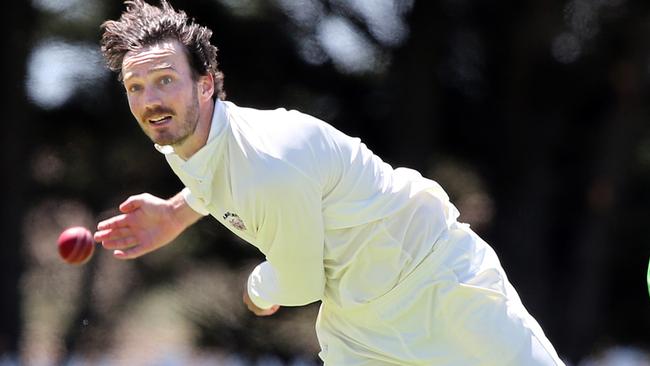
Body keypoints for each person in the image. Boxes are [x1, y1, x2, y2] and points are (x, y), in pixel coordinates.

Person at [95, 1, 565, 364]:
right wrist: (177, 212)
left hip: (438, 282)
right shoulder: (192, 139)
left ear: (205, 85)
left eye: (164, 80)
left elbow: (299, 283)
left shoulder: (269, 160)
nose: (150, 100)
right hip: (359, 322)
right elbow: (219, 174)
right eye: (136, 87)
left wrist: (256, 291)